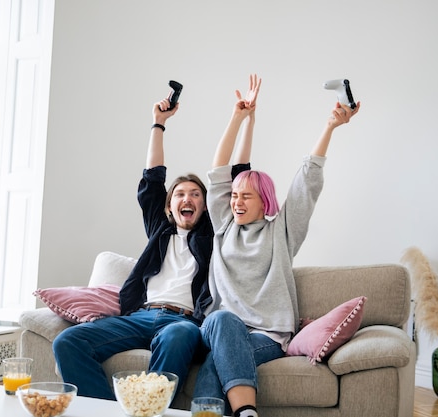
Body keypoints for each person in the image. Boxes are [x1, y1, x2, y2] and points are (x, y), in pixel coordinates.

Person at [194, 74, 360, 417]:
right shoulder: (223, 226)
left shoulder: (281, 233)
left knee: (214, 365)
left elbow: (306, 183)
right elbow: (217, 172)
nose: (236, 202)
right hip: (221, 325)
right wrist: (238, 117)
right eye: (234, 196)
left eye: (246, 196)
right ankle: (247, 413)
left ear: (264, 201)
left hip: (268, 337)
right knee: (224, 321)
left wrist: (329, 127)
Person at [52, 96, 213, 400]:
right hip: (139, 316)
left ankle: (146, 407)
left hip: (183, 322)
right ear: (169, 205)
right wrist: (159, 123)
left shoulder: (212, 237)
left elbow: (224, 184)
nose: (187, 199)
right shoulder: (160, 230)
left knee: (177, 335)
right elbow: (153, 180)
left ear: (205, 208)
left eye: (195, 195)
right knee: (66, 342)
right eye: (179, 194)